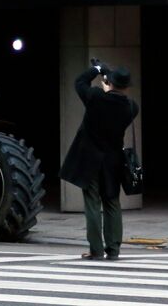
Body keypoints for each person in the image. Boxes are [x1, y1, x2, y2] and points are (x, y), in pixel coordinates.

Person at [60, 59, 139, 261]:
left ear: (109, 83)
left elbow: (80, 82)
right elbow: (114, 103)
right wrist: (108, 88)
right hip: (112, 161)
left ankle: (96, 250)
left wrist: (96, 70)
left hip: (90, 159)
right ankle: (113, 250)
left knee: (92, 204)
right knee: (112, 203)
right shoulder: (130, 107)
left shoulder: (96, 97)